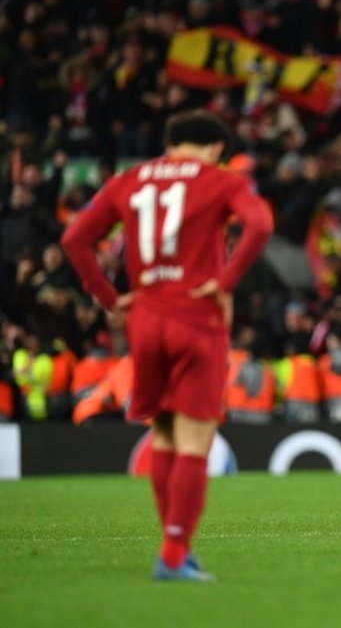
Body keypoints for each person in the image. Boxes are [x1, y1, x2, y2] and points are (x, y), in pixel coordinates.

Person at [61, 111, 274, 581]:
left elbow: (75, 238)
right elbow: (259, 224)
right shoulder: (220, 180)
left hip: (144, 319)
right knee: (195, 440)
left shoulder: (127, 180)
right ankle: (174, 553)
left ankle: (175, 548)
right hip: (197, 318)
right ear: (215, 148)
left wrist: (110, 299)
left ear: (169, 141)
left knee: (162, 434)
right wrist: (225, 282)